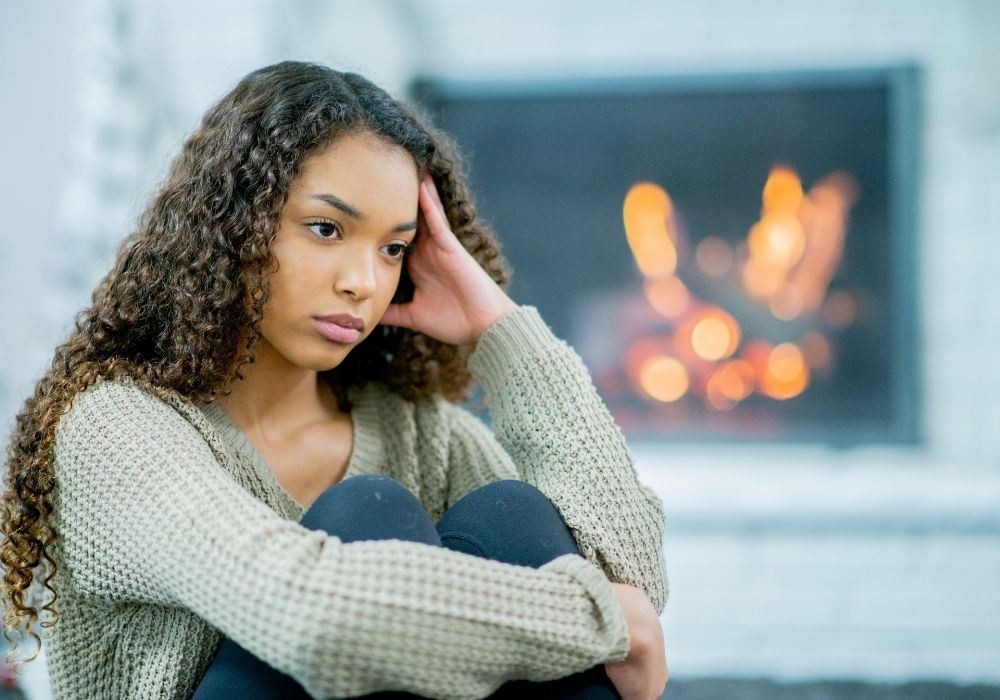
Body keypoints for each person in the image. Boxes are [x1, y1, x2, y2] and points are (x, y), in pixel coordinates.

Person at [0, 61, 668, 699]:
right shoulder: (115, 428)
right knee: (368, 512)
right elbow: (312, 615)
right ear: (235, 226)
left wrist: (500, 330)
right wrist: (589, 617)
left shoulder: (415, 432)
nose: (364, 282)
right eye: (326, 229)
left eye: (393, 248)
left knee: (514, 516)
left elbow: (633, 587)